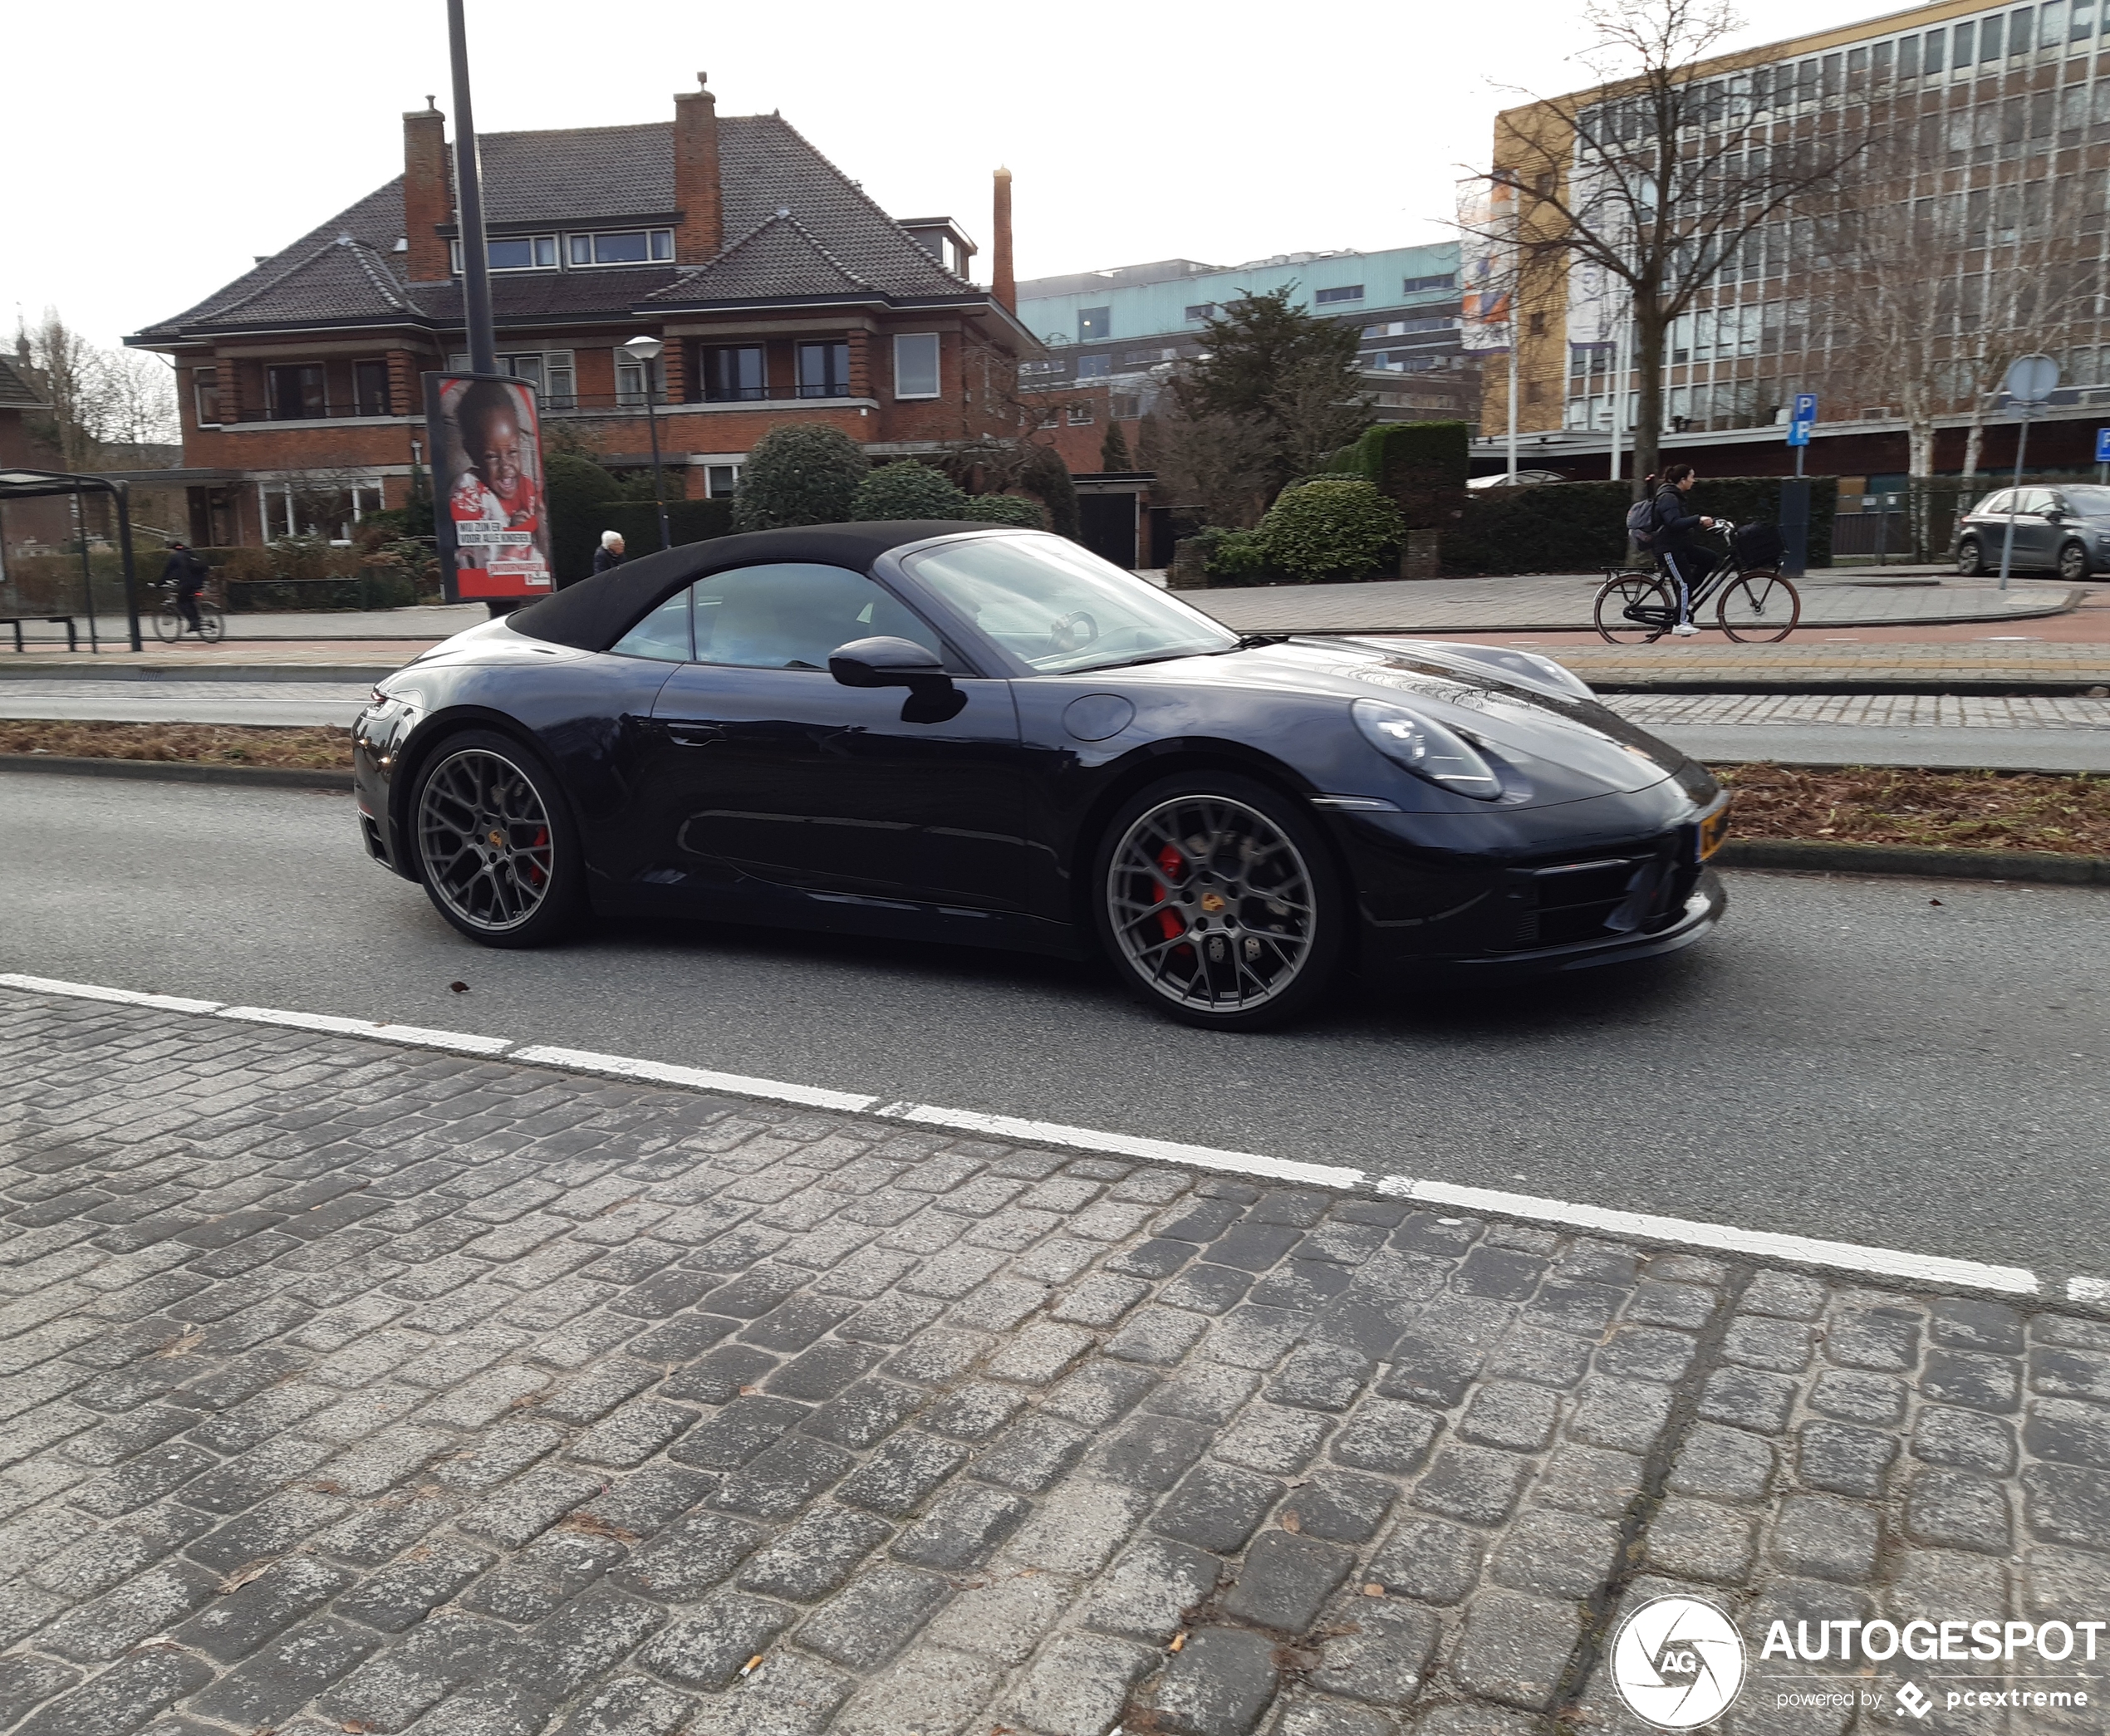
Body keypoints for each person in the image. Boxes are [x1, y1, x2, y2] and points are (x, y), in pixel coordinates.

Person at [1646, 463, 1721, 636]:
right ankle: (1679, 623)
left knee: (1710, 558)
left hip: (1680, 546)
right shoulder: (1668, 497)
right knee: (1685, 583)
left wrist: (1702, 524)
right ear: (1682, 480)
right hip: (1668, 549)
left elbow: (1680, 524)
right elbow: (1673, 523)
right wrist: (1698, 519)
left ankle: (1685, 597)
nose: (1693, 481)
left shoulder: (1676, 496)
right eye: (1691, 477)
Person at [160, 541, 209, 637]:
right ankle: (196, 621)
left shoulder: (176, 557)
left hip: (187, 583)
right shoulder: (191, 553)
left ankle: (194, 622)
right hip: (199, 582)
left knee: (181, 603)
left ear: (173, 549)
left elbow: (167, 572)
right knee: (190, 600)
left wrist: (159, 584)